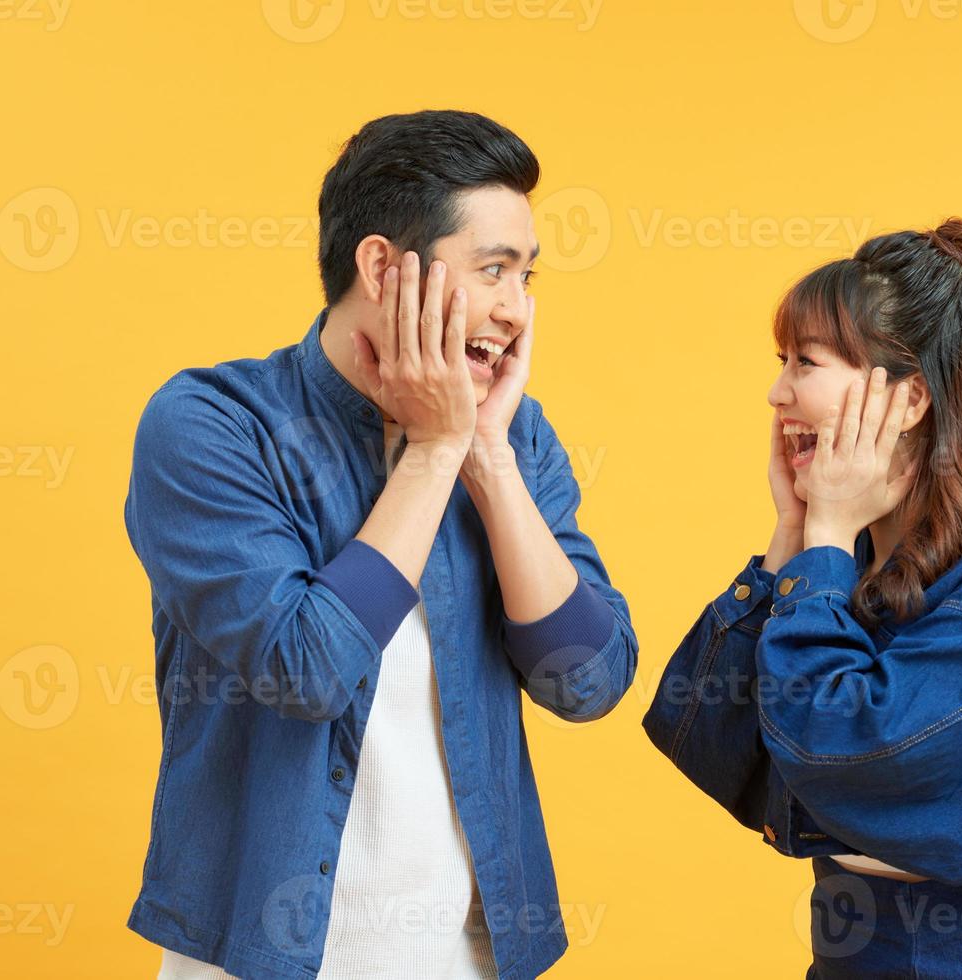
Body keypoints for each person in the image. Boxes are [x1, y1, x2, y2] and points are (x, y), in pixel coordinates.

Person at [123, 110, 637, 980]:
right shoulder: (213, 426)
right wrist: (434, 452)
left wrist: (485, 458)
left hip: (470, 959)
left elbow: (588, 682)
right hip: (258, 958)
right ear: (381, 266)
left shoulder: (515, 437)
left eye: (526, 277)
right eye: (492, 270)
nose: (515, 310)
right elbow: (306, 667)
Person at [643, 218, 962, 978]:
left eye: (803, 362)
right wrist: (792, 537)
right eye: (780, 361)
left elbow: (838, 742)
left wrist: (822, 547)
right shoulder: (856, 556)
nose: (776, 391)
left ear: (908, 399)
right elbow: (703, 736)